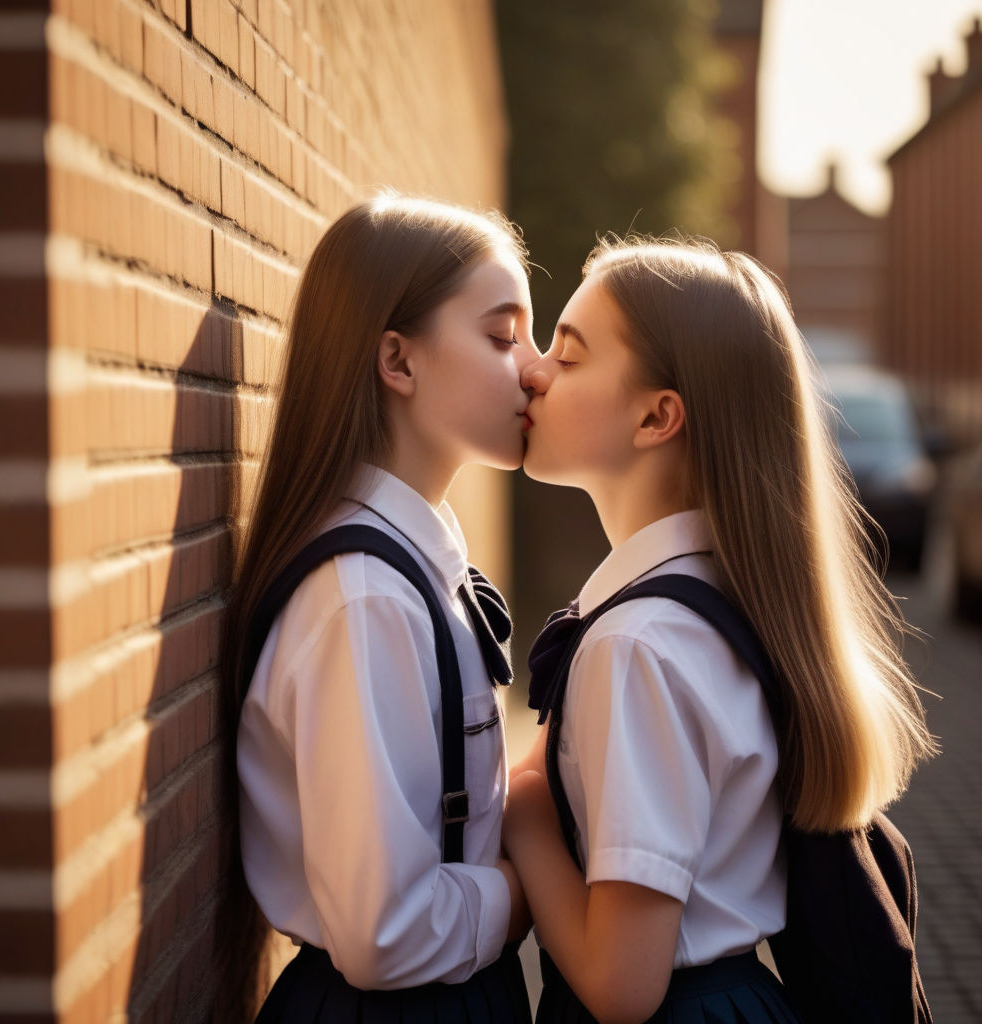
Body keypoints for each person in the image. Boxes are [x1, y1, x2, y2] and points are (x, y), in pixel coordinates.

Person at [502, 236, 935, 1024]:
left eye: (568, 354)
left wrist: (524, 816)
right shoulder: (713, 605)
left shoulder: (638, 647)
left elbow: (620, 986)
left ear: (658, 415)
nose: (531, 369)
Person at [218, 192, 538, 1022]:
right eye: (504, 337)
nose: (535, 368)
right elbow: (385, 934)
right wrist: (523, 888)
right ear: (398, 362)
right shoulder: (365, 600)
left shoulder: (415, 568)